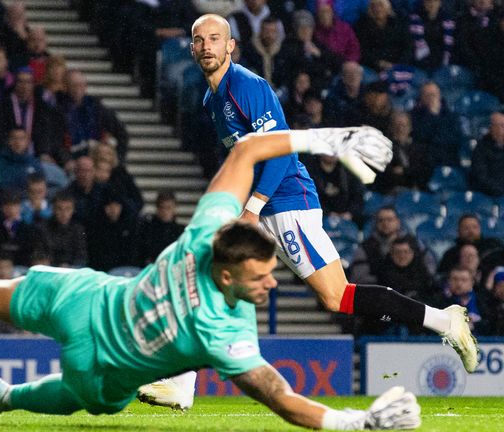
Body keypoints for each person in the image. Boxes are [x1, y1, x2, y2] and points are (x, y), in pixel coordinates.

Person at [0, 126, 423, 429]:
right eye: (259, 277)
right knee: (84, 403)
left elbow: (248, 151)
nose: (270, 284)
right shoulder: (225, 335)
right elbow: (284, 400)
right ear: (226, 274)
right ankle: (7, 399)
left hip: (81, 299)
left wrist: (327, 139)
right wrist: (359, 423)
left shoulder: (204, 232)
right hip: (101, 369)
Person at [142, 14, 480, 409]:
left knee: (336, 297)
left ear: (230, 45)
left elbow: (282, 152)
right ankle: (183, 383)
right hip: (264, 204)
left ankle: (444, 321)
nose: (206, 47)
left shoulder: (247, 86)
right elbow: (246, 158)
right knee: (209, 276)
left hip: (287, 202)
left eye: (215, 39)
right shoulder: (210, 98)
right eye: (199, 40)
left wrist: (252, 208)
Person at [469, 112, 504, 198]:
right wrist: (500, 190)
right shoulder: (481, 148)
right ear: (491, 128)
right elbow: (481, 177)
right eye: (499, 126)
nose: (501, 129)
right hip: (490, 194)